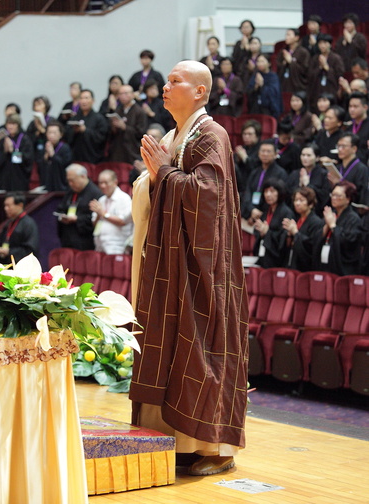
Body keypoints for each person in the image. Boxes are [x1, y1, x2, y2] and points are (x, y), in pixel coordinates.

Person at [129, 60, 249, 476]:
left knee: (201, 348)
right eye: (166, 80)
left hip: (202, 268)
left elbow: (207, 197)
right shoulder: (175, 135)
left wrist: (162, 172)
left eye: (175, 81)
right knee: (170, 343)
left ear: (199, 91)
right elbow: (162, 183)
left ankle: (214, 449)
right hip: (171, 262)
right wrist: (152, 179)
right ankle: (173, 442)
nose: (165, 86)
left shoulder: (211, 135)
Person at [313, 181, 363, 276]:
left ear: (348, 199)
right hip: (324, 264)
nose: (333, 198)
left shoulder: (353, 219)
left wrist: (333, 226)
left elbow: (348, 243)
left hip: (341, 268)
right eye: (333, 195)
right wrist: (327, 226)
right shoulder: (331, 215)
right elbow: (316, 238)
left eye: (338, 196)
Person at [56, 164, 102, 251]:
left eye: (72, 180)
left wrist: (77, 219)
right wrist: (62, 217)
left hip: (84, 240)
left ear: (83, 176)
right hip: (67, 237)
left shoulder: (96, 193)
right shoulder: (70, 192)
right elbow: (61, 208)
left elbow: (95, 219)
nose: (70, 184)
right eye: (68, 181)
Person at [241, 139, 288, 223]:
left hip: (268, 215)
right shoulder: (255, 172)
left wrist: (260, 214)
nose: (265, 154)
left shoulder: (281, 173)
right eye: (263, 151)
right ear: (258, 153)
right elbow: (247, 192)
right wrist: (252, 210)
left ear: (275, 154)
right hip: (252, 212)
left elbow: (279, 197)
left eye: (268, 151)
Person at [253, 178, 294, 268]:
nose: (268, 194)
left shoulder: (286, 212)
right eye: (266, 191)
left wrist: (267, 232)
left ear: (279, 193)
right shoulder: (266, 211)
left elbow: (283, 240)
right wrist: (261, 233)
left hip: (278, 260)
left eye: (272, 191)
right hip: (264, 256)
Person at [89, 169, 133, 254]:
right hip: (100, 244)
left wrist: (103, 213)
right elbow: (94, 224)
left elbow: (123, 221)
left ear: (115, 182)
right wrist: (98, 214)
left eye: (106, 183)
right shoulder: (101, 199)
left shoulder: (124, 198)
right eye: (100, 183)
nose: (102, 186)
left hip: (117, 245)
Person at [0, 192, 39, 264]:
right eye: (5, 205)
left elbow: (30, 251)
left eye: (8, 206)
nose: (5, 208)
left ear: (20, 205)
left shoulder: (28, 224)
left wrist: (8, 252)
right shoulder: (9, 223)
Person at [282, 187, 324, 271]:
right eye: (295, 200)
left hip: (306, 267)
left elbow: (311, 247)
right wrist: (289, 234)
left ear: (311, 204)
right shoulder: (297, 219)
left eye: (301, 200)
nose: (297, 203)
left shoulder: (316, 222)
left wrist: (295, 232)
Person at [107, 84, 148, 163]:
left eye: (126, 93)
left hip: (132, 151)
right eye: (121, 94)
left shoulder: (139, 111)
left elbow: (141, 133)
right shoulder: (118, 110)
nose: (123, 96)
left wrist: (125, 127)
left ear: (132, 95)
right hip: (118, 150)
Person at [286, 144, 330, 216]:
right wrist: (300, 186)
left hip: (315, 214)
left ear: (317, 158)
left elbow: (324, 197)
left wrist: (308, 185)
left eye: (309, 155)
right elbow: (287, 192)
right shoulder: (295, 173)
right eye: (303, 155)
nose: (305, 158)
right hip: (295, 213)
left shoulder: (323, 174)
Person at [0, 113, 34, 191]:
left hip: (19, 178)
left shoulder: (25, 139)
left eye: (13, 124)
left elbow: (28, 159)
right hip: (4, 179)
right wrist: (5, 152)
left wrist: (13, 151)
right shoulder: (1, 139)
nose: (10, 126)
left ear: (18, 125)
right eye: (8, 124)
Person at [65, 89, 108, 164]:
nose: (83, 101)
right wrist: (75, 131)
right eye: (81, 98)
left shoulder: (99, 118)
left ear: (93, 101)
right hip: (76, 157)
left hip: (92, 158)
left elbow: (101, 138)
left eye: (86, 98)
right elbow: (67, 136)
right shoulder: (74, 118)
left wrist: (85, 130)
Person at [328, 132, 369, 206]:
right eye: (338, 146)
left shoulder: (362, 169)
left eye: (343, 146)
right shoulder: (337, 168)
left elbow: (361, 196)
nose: (339, 149)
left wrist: (339, 184)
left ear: (354, 149)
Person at [308, 34, 344, 112]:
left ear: (330, 44)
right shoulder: (315, 59)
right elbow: (310, 76)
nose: (322, 46)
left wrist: (326, 67)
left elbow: (339, 76)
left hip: (331, 90)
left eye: (325, 43)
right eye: (320, 43)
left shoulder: (336, 58)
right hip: (317, 90)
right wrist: (319, 68)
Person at [246, 53, 283, 119]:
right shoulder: (255, 75)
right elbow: (249, 91)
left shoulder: (273, 76)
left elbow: (274, 93)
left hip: (268, 109)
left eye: (262, 61)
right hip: (256, 107)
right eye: (258, 61)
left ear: (269, 64)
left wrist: (262, 85)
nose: (259, 64)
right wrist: (256, 87)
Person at [40, 120, 73, 191]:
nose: (51, 135)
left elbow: (64, 166)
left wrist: (53, 155)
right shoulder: (45, 147)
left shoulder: (65, 148)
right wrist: (45, 158)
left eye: (54, 133)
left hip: (61, 185)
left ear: (61, 134)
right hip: (47, 183)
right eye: (49, 133)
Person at [276, 28, 310, 93]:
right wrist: (284, 63)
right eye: (286, 35)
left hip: (297, 86)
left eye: (289, 35)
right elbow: (278, 67)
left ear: (296, 38)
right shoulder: (283, 51)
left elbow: (304, 70)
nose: (286, 37)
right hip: (284, 83)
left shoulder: (303, 52)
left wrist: (291, 62)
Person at [234, 119, 262, 191]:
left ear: (257, 136)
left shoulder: (262, 149)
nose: (246, 136)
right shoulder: (242, 149)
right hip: (239, 184)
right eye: (244, 134)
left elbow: (255, 169)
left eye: (250, 134)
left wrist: (245, 158)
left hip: (253, 184)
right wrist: (238, 159)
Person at [346, 91, 369, 164]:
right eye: (350, 106)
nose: (352, 109)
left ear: (365, 107)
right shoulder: (349, 128)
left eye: (355, 106)